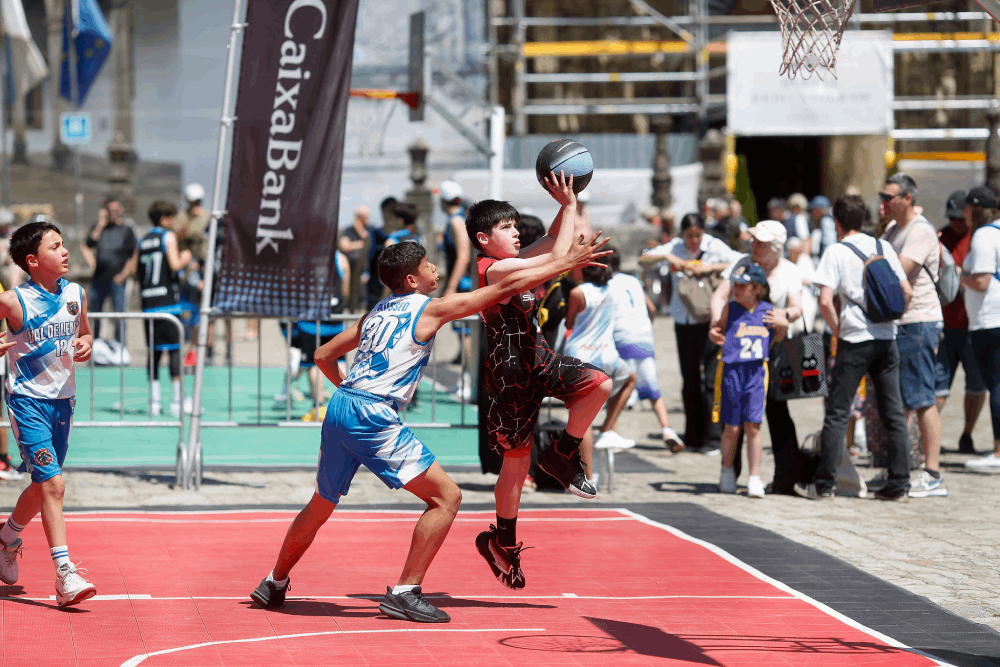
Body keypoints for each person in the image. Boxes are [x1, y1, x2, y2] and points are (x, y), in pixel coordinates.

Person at [249, 233, 609, 623]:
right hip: (372, 415)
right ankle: (405, 591)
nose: (434, 268)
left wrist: (352, 394)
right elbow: (506, 286)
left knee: (321, 503)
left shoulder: (378, 311)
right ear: (412, 280)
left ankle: (274, 580)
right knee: (446, 498)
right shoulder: (429, 310)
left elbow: (322, 355)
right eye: (427, 264)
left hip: (341, 407)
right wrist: (567, 260)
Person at [468, 172, 613, 590]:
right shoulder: (492, 271)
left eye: (516, 226)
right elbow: (556, 257)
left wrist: (566, 205)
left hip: (540, 361)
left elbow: (553, 243)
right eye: (505, 227)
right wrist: (567, 223)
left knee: (599, 384)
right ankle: (502, 542)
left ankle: (562, 454)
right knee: (514, 468)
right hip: (509, 378)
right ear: (483, 239)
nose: (515, 232)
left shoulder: (515, 259)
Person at [0, 220, 96, 605]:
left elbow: (85, 332)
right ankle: (64, 574)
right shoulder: (13, 301)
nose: (65, 251)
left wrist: (86, 343)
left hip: (63, 403)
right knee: (54, 484)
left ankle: (7, 536)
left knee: (43, 485)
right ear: (33, 260)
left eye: (63, 244)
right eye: (55, 247)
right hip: (27, 403)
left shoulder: (76, 293)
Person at [795, 194, 913, 501]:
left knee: (837, 411)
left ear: (836, 222)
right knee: (893, 412)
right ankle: (900, 483)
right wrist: (891, 322)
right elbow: (906, 291)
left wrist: (839, 331)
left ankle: (824, 484)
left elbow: (824, 300)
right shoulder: (882, 246)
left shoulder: (835, 251)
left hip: (854, 340)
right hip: (887, 338)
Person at [710, 221, 804, 491]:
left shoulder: (789, 270)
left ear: (776, 248)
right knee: (734, 420)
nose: (754, 247)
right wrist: (717, 322)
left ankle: (783, 476)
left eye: (761, 243)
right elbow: (720, 296)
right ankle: (731, 472)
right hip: (738, 349)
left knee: (774, 413)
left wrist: (783, 316)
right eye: (753, 241)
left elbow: (797, 307)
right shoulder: (741, 262)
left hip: (774, 347)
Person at [640, 212, 741, 453]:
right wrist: (672, 257)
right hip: (683, 320)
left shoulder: (714, 246)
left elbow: (739, 260)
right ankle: (694, 435)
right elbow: (644, 260)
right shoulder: (675, 247)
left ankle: (714, 436)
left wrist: (709, 267)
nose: (693, 241)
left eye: (697, 235)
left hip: (708, 318)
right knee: (690, 380)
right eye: (689, 236)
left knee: (711, 378)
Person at [880, 173, 946, 498]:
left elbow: (894, 271)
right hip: (900, 322)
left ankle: (933, 474)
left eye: (888, 197)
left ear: (907, 198)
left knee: (922, 398)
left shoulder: (920, 230)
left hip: (919, 321)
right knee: (903, 400)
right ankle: (900, 467)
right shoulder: (894, 229)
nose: (882, 202)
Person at [711, 262, 784, 497]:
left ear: (757, 288)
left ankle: (754, 477)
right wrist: (714, 333)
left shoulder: (767, 310)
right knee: (731, 427)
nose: (737, 289)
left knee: (753, 426)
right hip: (732, 372)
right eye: (735, 284)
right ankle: (727, 471)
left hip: (756, 373)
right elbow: (718, 330)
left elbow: (778, 336)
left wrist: (783, 324)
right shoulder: (730, 309)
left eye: (742, 285)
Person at [564, 255, 637, 483]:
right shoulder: (611, 291)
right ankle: (607, 430)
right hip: (607, 354)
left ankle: (587, 476)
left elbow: (569, 323)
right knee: (630, 379)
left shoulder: (578, 293)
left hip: (582, 355)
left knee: (582, 416)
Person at [607, 250, 683, 450]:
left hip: (621, 338)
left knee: (616, 389)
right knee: (653, 389)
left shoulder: (605, 284)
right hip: (644, 337)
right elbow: (652, 309)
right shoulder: (633, 281)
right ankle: (667, 428)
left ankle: (611, 432)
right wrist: (645, 328)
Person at [935, 190, 986, 455]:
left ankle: (967, 434)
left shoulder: (980, 238)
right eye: (952, 218)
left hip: (973, 325)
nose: (957, 223)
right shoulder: (938, 237)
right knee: (937, 386)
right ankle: (925, 439)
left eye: (960, 218)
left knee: (976, 385)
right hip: (944, 325)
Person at [133, 201, 193, 416]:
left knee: (154, 353)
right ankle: (178, 401)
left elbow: (137, 271)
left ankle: (155, 401)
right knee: (175, 350)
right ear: (165, 219)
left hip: (149, 303)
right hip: (168, 303)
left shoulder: (143, 240)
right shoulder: (168, 237)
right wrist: (186, 258)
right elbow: (175, 264)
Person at [960, 186, 1000, 471]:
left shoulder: (984, 235)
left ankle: (998, 452)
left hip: (990, 319)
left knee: (997, 384)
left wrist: (962, 276)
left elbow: (982, 281)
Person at [80, 197, 136, 344]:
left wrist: (124, 274)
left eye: (115, 210)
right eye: (110, 210)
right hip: (99, 278)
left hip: (117, 279)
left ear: (120, 210)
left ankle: (120, 345)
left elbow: (133, 254)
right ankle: (96, 345)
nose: (113, 213)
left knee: (119, 314)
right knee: (95, 314)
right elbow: (88, 243)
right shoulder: (99, 228)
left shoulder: (126, 230)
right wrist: (100, 224)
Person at [339, 205, 371, 312]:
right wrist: (360, 244)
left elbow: (368, 241)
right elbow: (344, 246)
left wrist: (360, 230)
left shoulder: (370, 229)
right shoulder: (349, 230)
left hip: (365, 272)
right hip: (351, 272)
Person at [809, 195, 836, 261]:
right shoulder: (823, 220)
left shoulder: (826, 221)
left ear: (819, 209)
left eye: (813, 209)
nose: (812, 212)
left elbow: (829, 243)